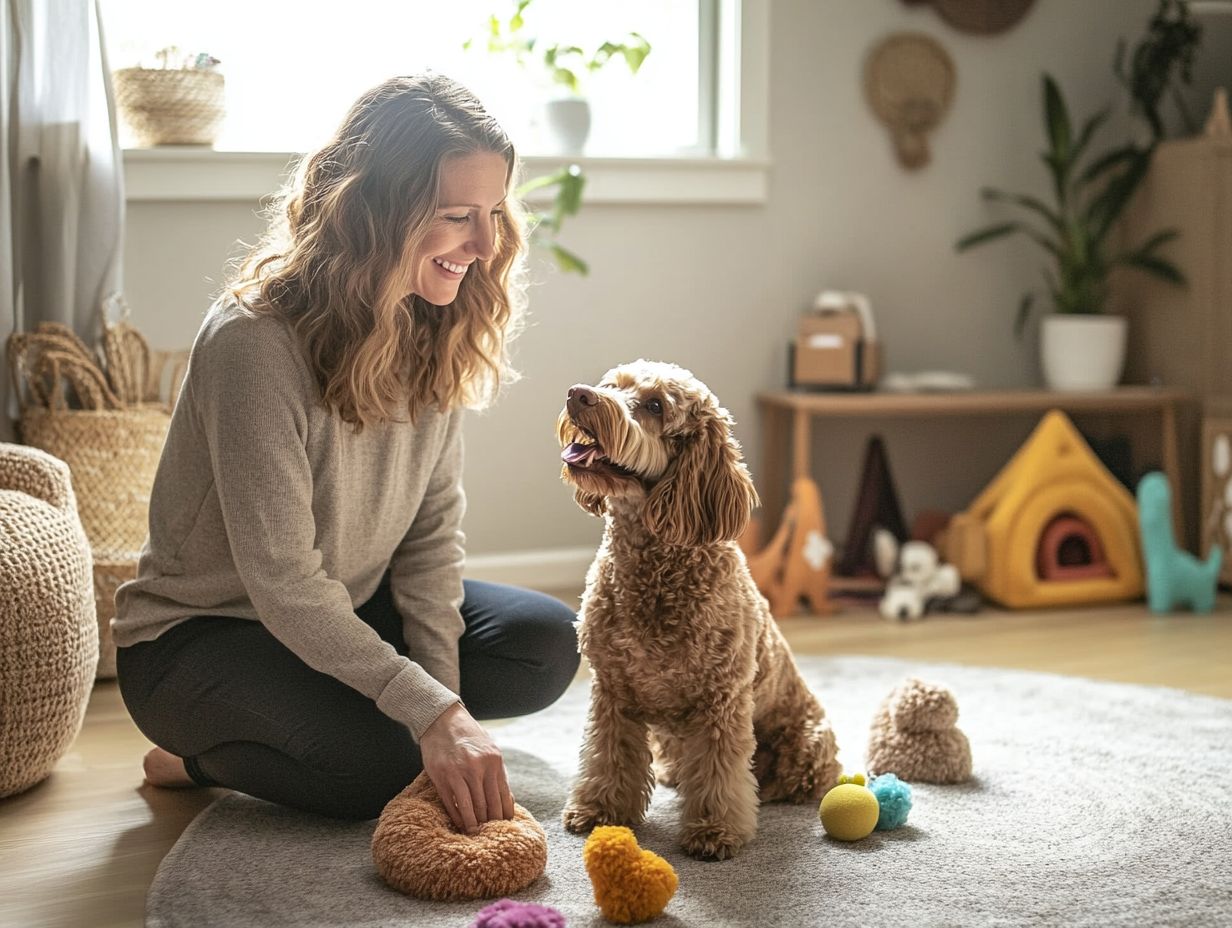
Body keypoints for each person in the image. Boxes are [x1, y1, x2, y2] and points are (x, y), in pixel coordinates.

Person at [113, 73, 580, 831]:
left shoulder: (436, 328)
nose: (488, 245)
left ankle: (352, 712)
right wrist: (427, 721)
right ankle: (191, 756)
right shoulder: (253, 342)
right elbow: (284, 583)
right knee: (377, 769)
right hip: (201, 639)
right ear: (377, 212)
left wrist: (443, 708)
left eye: (493, 213)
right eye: (459, 215)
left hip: (344, 607)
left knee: (545, 645)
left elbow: (429, 546)